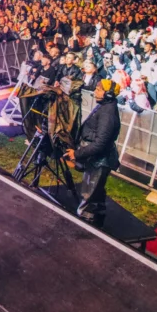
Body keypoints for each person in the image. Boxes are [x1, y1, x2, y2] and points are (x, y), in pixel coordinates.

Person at [64, 79, 122, 223]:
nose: (95, 91)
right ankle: (98, 213)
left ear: (108, 94)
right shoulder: (105, 106)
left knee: (89, 192)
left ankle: (85, 221)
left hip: (100, 160)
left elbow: (100, 143)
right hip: (97, 158)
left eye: (98, 89)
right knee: (96, 189)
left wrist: (77, 154)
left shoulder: (107, 114)